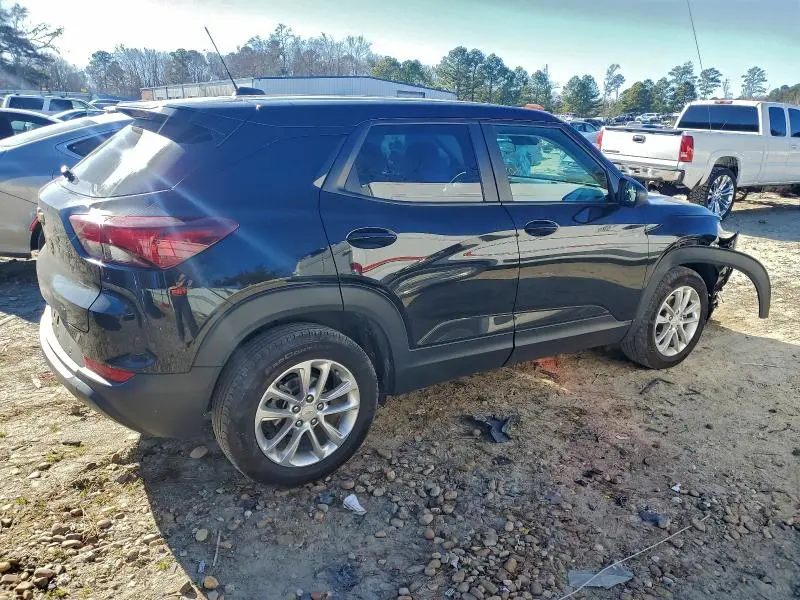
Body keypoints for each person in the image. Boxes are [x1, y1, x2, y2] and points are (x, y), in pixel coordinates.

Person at [168, 273, 198, 344]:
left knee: (190, 318)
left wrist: (190, 283)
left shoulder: (187, 275)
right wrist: (172, 305)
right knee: (178, 320)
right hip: (175, 299)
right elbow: (170, 289)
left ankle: (196, 335)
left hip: (183, 298)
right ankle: (182, 336)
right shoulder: (173, 274)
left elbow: (190, 285)